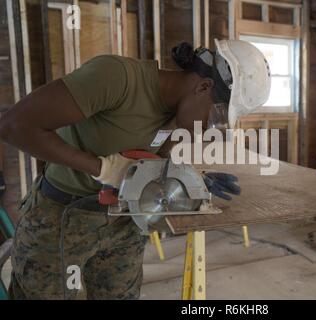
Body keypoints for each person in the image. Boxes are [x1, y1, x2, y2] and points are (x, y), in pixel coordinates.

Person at [0, 39, 271, 299]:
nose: (208, 128)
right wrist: (102, 168)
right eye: (215, 117)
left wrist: (190, 181)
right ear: (203, 87)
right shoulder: (117, 78)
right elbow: (15, 126)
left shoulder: (179, 119)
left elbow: (152, 166)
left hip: (124, 221)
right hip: (60, 218)